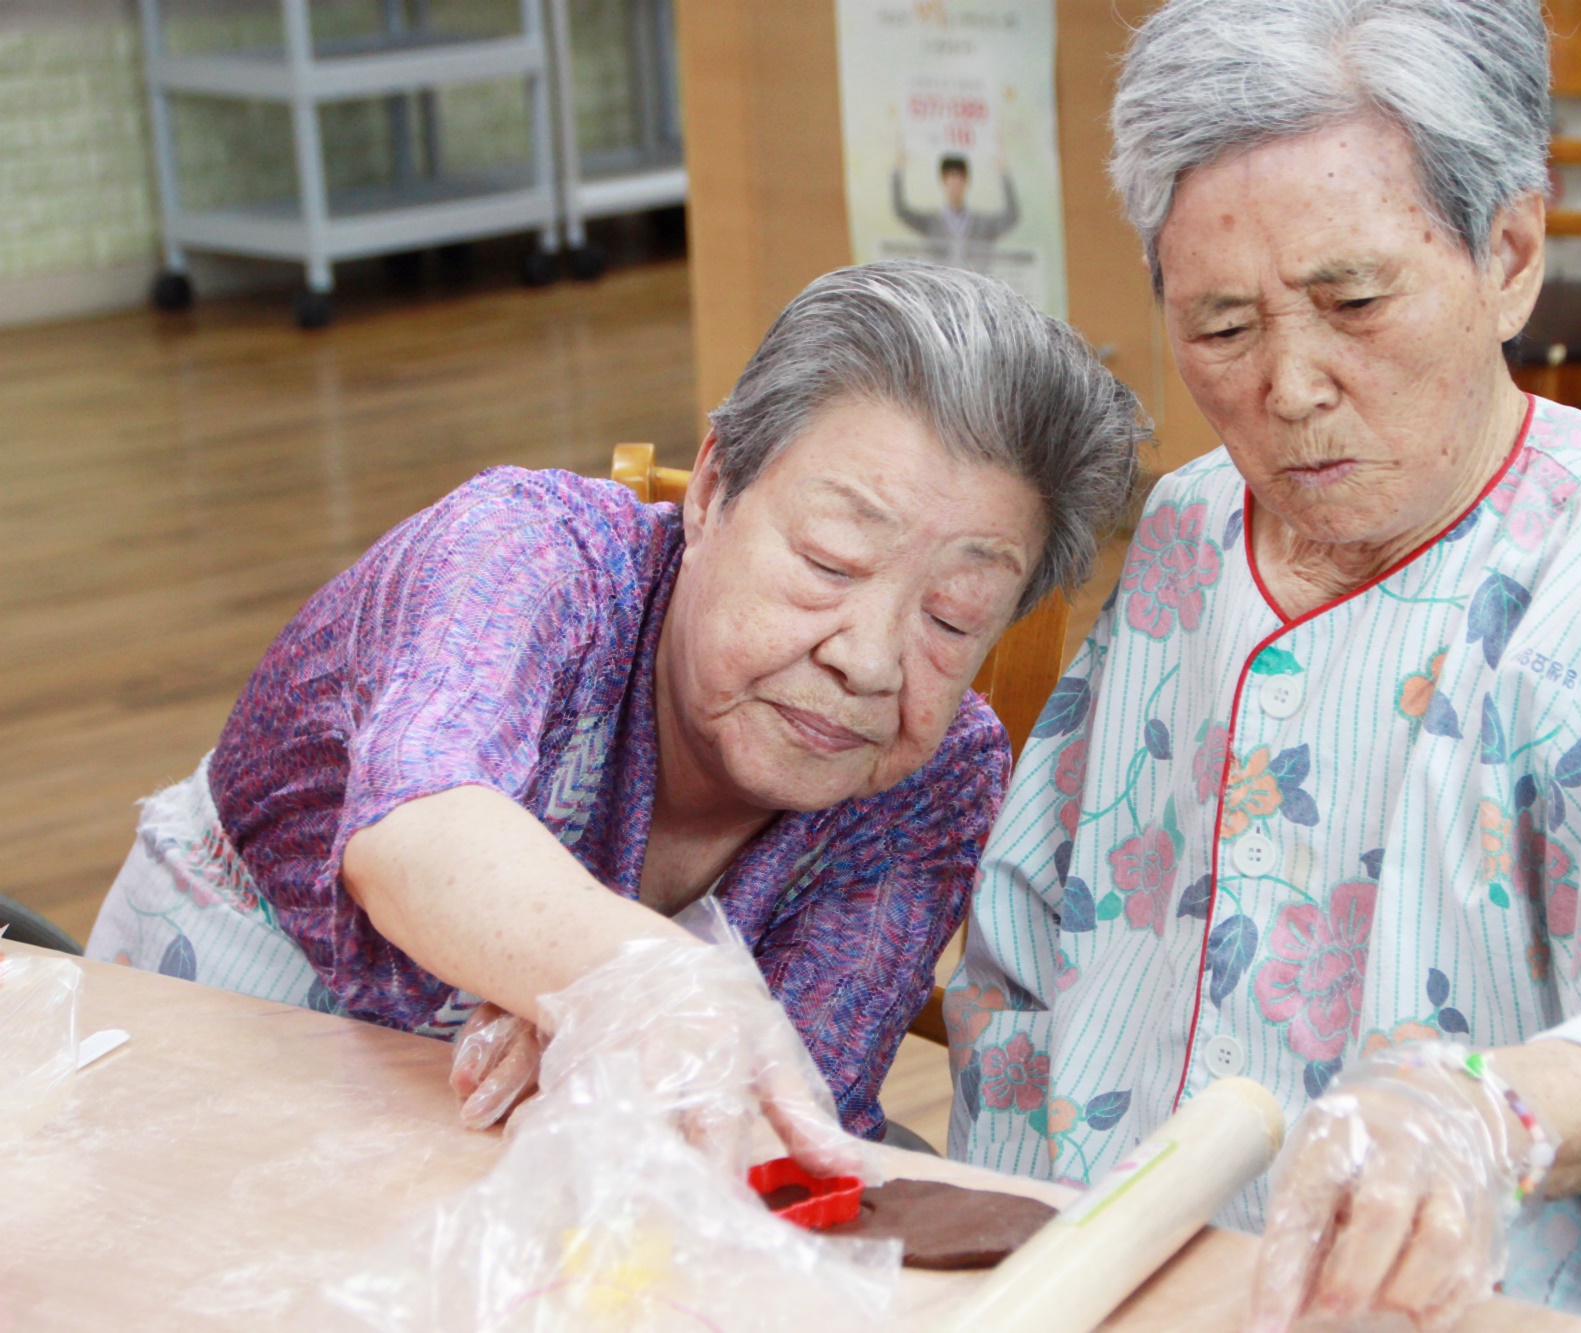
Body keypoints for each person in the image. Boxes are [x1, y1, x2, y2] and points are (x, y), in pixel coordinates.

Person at [943, 2, 1581, 1331]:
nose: (1290, 385)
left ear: (1509, 255)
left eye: (1352, 301)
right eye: (1221, 326)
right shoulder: (1193, 527)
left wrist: (1487, 1113)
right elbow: (1031, 942)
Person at [86, 261, 1143, 1150]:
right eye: (830, 561)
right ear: (714, 489)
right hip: (210, 1074)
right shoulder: (527, 555)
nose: (868, 661)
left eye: (953, 618)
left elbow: (785, 1102)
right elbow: (416, 828)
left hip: (552, 1195)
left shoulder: (933, 774)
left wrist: (592, 1016)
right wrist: (635, 983)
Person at [892, 151, 1021, 273]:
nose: (954, 185)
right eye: (950, 179)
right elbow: (902, 212)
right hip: (941, 286)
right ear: (943, 182)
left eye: (959, 179)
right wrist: (898, 171)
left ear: (966, 182)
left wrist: (1004, 173)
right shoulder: (930, 223)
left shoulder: (982, 225)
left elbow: (1011, 216)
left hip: (975, 286)